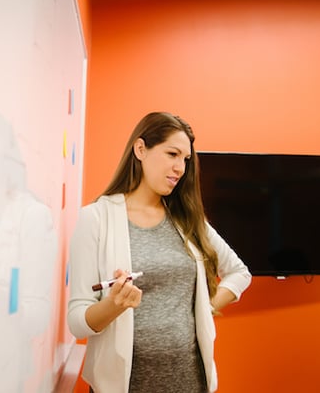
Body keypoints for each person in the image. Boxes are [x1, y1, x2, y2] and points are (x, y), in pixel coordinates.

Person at [67, 112, 252, 393]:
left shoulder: (187, 220)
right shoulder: (96, 219)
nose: (180, 167)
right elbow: (77, 322)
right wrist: (113, 305)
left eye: (186, 160)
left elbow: (240, 273)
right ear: (140, 149)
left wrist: (205, 305)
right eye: (172, 154)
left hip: (190, 382)